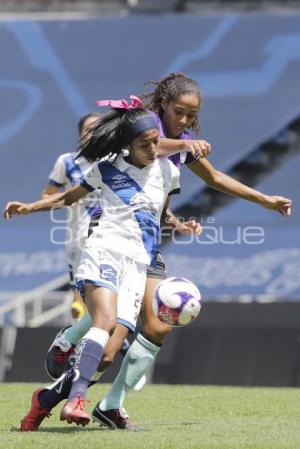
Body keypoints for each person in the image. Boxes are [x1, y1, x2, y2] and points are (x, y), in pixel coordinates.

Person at [40, 73, 292, 431]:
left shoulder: (182, 141)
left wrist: (264, 199)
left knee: (157, 325)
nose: (185, 121)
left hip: (147, 242)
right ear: (163, 106)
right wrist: (186, 146)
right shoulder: (145, 125)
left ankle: (111, 404)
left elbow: (214, 179)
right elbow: (148, 150)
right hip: (112, 236)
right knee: (108, 333)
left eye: (191, 115)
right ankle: (66, 352)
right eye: (179, 112)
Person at [4, 101, 187, 429]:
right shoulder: (106, 168)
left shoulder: (169, 171)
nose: (154, 149)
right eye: (145, 144)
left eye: (156, 142)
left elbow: (157, 212)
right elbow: (65, 198)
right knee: (102, 321)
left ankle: (45, 399)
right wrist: (29, 207)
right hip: (102, 249)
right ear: (127, 145)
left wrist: (178, 223)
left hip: (137, 264)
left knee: (106, 354)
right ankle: (77, 399)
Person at [42, 112, 102, 323]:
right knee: (82, 297)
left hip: (110, 238)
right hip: (78, 237)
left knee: (106, 293)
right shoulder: (67, 162)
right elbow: (47, 196)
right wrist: (69, 197)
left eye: (98, 129)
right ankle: (80, 337)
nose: (93, 134)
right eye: (88, 130)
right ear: (80, 135)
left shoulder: (115, 162)